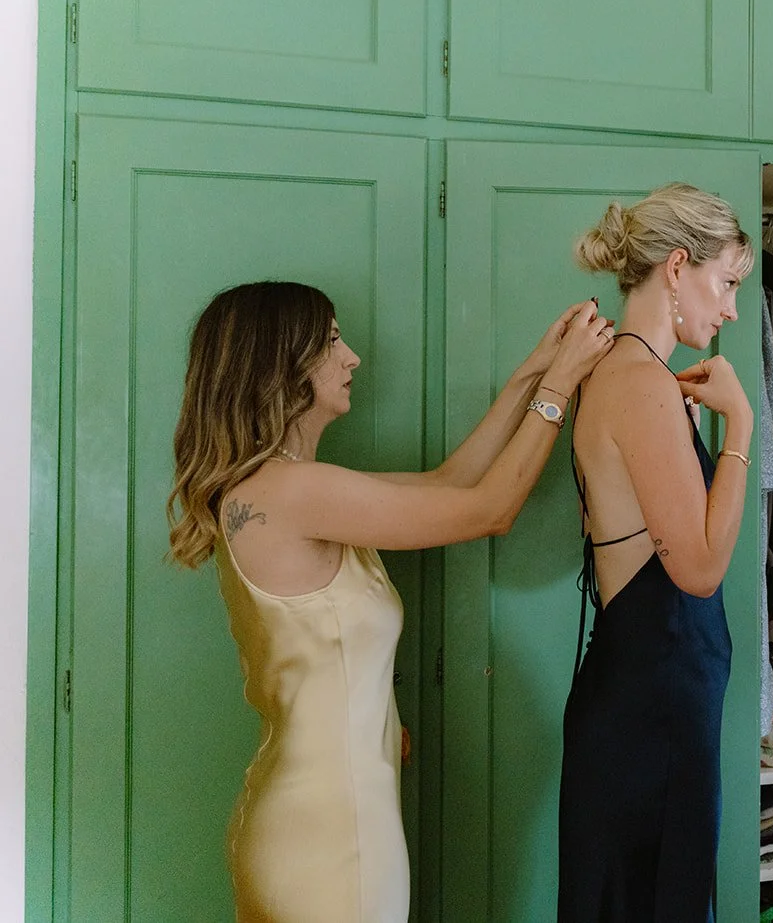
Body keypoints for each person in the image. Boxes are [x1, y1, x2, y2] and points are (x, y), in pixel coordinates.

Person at [168, 281, 612, 923]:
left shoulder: (275, 488)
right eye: (330, 342)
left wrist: (532, 373)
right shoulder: (296, 492)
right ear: (280, 364)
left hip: (308, 813)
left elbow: (448, 482)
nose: (351, 358)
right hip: (331, 835)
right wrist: (559, 389)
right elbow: (487, 510)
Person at [559, 183, 755, 921]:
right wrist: (739, 423)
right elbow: (699, 569)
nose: (732, 307)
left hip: (648, 703)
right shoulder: (640, 381)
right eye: (726, 282)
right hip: (652, 718)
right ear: (678, 266)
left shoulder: (631, 375)